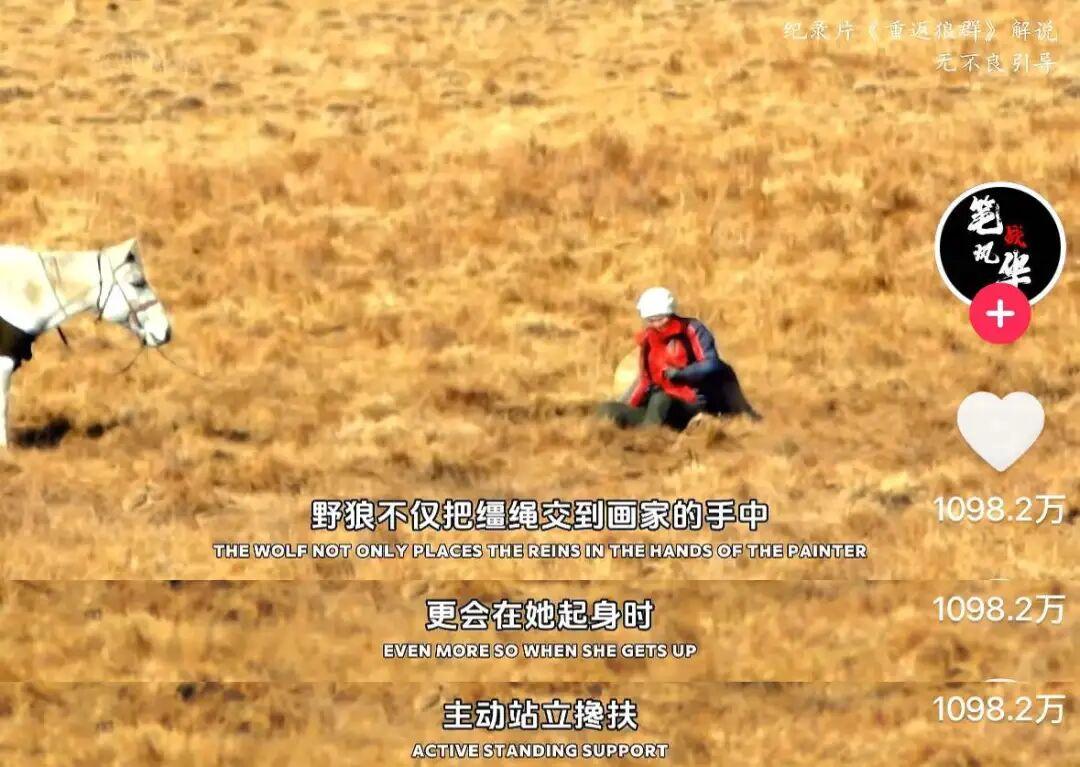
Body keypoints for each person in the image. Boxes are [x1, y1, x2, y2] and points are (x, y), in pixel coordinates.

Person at [596, 287, 761, 430]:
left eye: (661, 318)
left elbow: (711, 363)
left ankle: (649, 437)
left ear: (671, 312)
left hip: (691, 401)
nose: (658, 324)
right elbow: (644, 380)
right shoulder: (648, 340)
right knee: (607, 409)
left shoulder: (692, 329)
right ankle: (643, 428)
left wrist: (682, 373)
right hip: (658, 401)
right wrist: (626, 405)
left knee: (660, 400)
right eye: (652, 320)